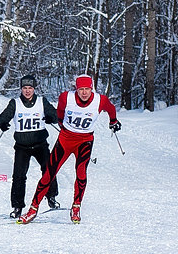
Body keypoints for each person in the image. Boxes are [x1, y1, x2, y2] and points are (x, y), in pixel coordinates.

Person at [19, 74, 120, 225]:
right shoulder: (66, 97)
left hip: (85, 141)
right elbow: (60, 112)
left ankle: (76, 207)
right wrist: (62, 125)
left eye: (87, 89)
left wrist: (113, 121)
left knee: (81, 173)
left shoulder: (100, 100)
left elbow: (111, 109)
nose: (84, 93)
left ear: (91, 89)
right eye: (81, 89)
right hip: (65, 140)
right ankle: (33, 209)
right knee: (49, 174)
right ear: (76, 89)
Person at [0, 74, 58, 219]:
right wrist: (3, 124)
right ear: (21, 89)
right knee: (19, 176)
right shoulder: (15, 103)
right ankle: (17, 206)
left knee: (48, 170)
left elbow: (55, 115)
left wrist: (51, 118)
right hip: (22, 146)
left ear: (34, 89)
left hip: (40, 144)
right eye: (25, 88)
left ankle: (51, 197)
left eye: (30, 88)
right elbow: (2, 118)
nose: (27, 91)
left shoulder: (42, 102)